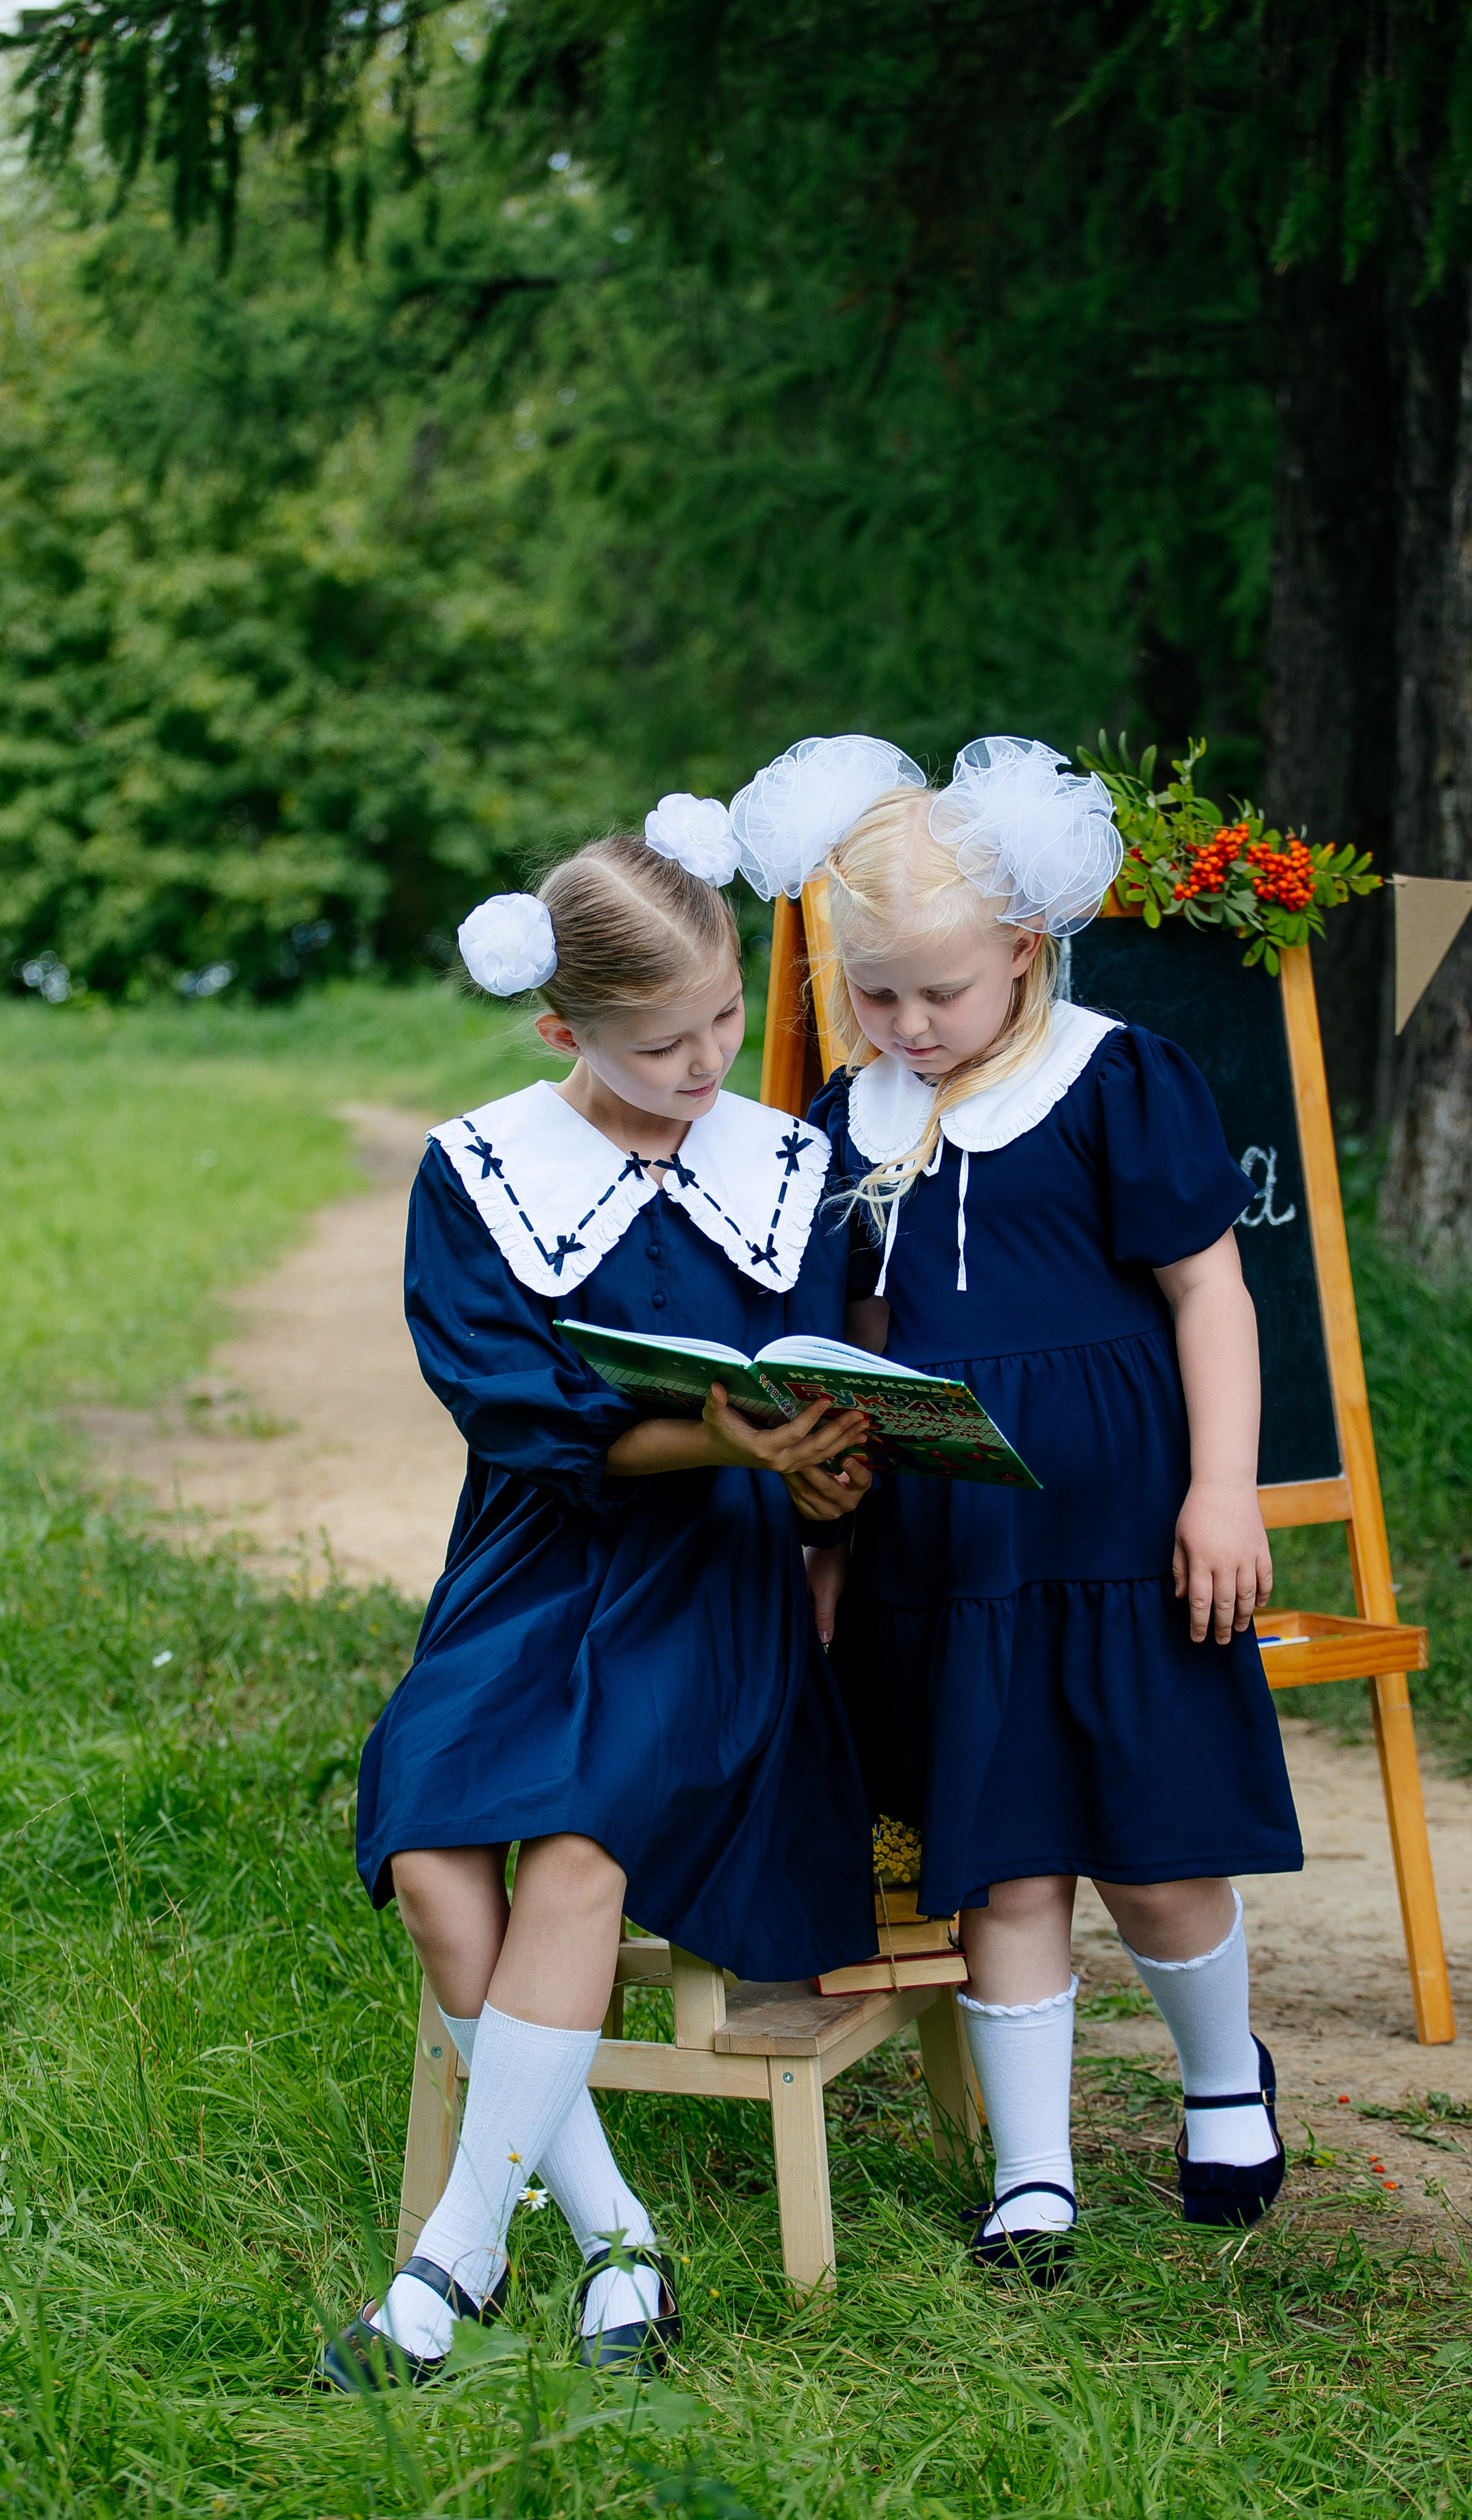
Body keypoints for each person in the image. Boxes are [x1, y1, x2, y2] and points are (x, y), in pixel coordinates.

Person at [735, 732, 1303, 2285]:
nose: (910, 1025)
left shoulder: (1113, 1076)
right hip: (953, 1547)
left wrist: (1219, 1490)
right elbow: (838, 1359)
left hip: (1122, 1536)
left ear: (1024, 952)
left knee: (1156, 1846)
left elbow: (1209, 1296)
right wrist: (828, 1540)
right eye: (876, 995)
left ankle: (1218, 2083)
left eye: (941, 993)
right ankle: (1033, 2171)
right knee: (1003, 1854)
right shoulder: (848, 1123)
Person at [322, 803, 875, 2389]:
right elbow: (505, 1408)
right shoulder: (482, 1171)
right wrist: (698, 1426)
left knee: (575, 1846)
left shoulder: (786, 1162)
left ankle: (448, 2266)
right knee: (430, 1850)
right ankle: (619, 2241)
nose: (704, 1066)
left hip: (714, 1576)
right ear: (564, 1025)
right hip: (533, 1556)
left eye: (720, 1023)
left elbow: (818, 1380)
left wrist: (815, 1468)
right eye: (656, 1046)